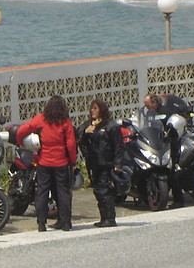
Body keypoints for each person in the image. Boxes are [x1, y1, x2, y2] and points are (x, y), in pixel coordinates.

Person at [16, 95, 77, 232]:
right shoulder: (65, 122)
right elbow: (71, 144)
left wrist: (21, 143)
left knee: (42, 192)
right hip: (61, 162)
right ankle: (66, 222)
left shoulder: (41, 119)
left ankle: (41, 223)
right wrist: (72, 160)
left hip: (44, 162)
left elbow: (21, 130)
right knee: (63, 193)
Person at [77, 99, 125, 228]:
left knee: (105, 190)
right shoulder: (89, 125)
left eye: (95, 108)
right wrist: (85, 132)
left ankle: (109, 218)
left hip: (107, 163)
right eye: (91, 108)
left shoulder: (111, 126)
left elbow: (119, 146)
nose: (92, 111)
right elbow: (77, 137)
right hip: (94, 163)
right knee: (98, 190)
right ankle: (104, 217)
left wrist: (118, 164)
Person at [142, 93, 185, 208]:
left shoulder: (166, 112)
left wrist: (169, 132)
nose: (146, 108)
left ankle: (179, 199)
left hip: (169, 144)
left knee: (171, 170)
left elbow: (172, 126)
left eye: (148, 105)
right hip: (156, 143)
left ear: (155, 103)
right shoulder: (148, 114)